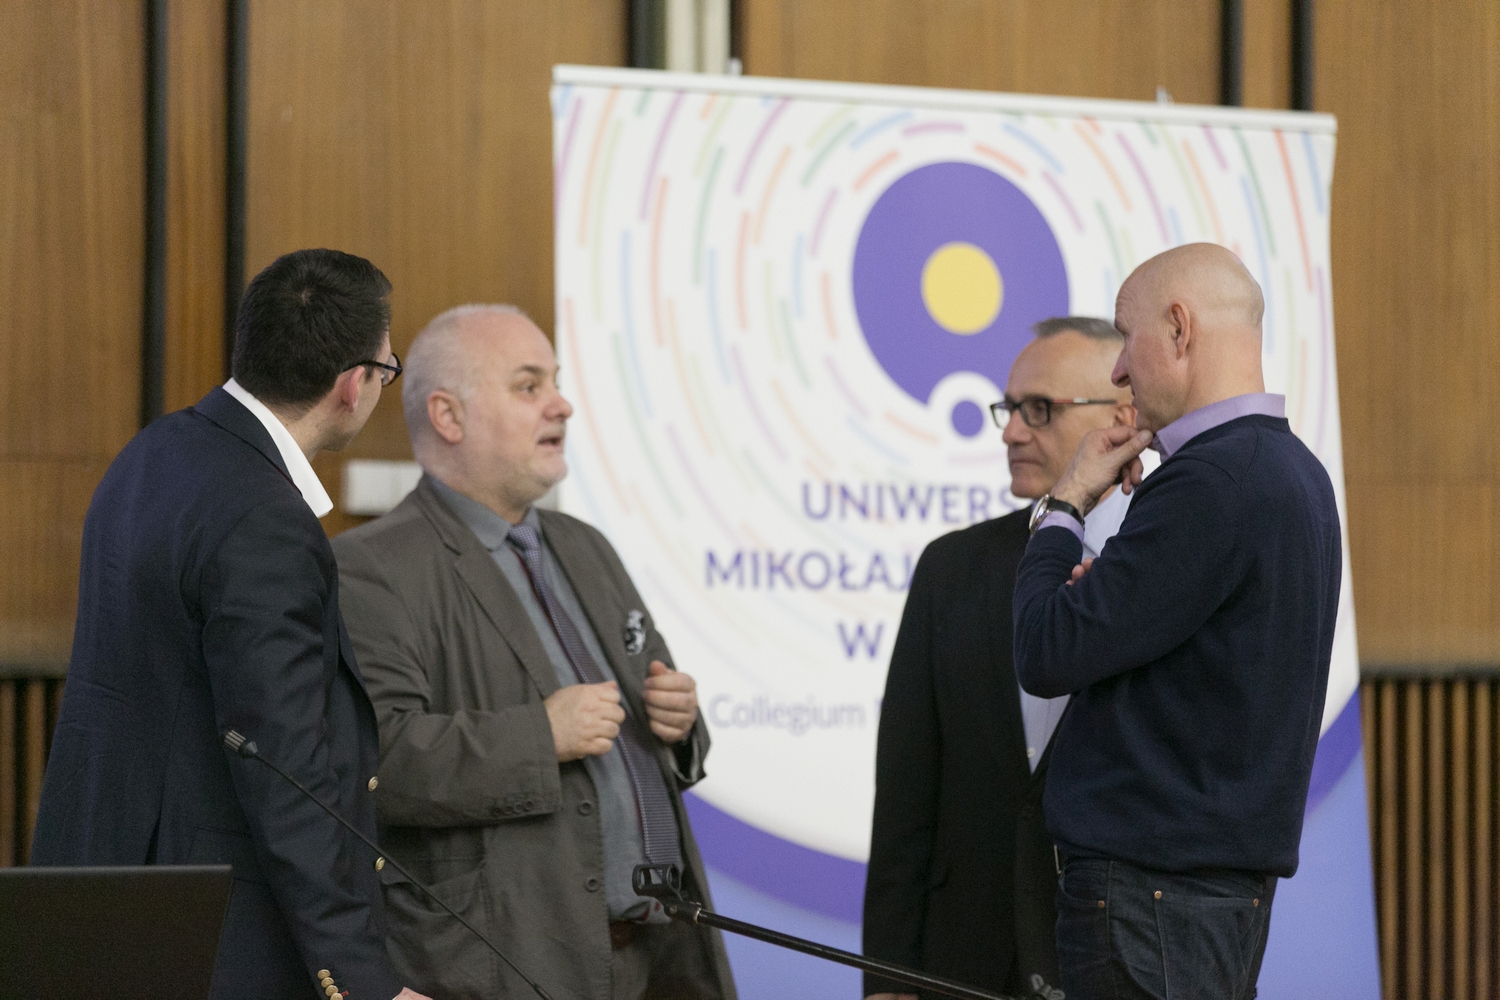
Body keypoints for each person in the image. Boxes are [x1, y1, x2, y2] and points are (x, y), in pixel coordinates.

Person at [32, 250, 428, 1000]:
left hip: (103, 894)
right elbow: (284, 768)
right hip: (212, 933)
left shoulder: (152, 452)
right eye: (387, 368)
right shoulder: (264, 520)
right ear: (353, 386)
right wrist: (359, 979)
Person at [334, 305, 736, 1000]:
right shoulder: (372, 568)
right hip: (512, 966)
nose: (562, 405)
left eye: (556, 381)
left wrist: (677, 721)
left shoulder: (585, 545)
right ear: (448, 416)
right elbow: (380, 764)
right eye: (529, 386)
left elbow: (658, 717)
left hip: (659, 959)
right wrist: (541, 735)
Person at [1012, 244, 1341, 1000]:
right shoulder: (1295, 472)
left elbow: (1046, 648)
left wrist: (1066, 504)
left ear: (1179, 328)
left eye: (1127, 336)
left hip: (1149, 904)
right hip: (1203, 904)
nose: (1119, 370)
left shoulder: (1210, 481)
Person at [862, 317, 1136, 1000]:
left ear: (1123, 417)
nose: (1012, 431)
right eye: (1009, 408)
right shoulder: (951, 568)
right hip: (960, 960)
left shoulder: (1165, 566)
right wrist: (886, 977)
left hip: (1116, 957)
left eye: (1039, 409)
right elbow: (906, 797)